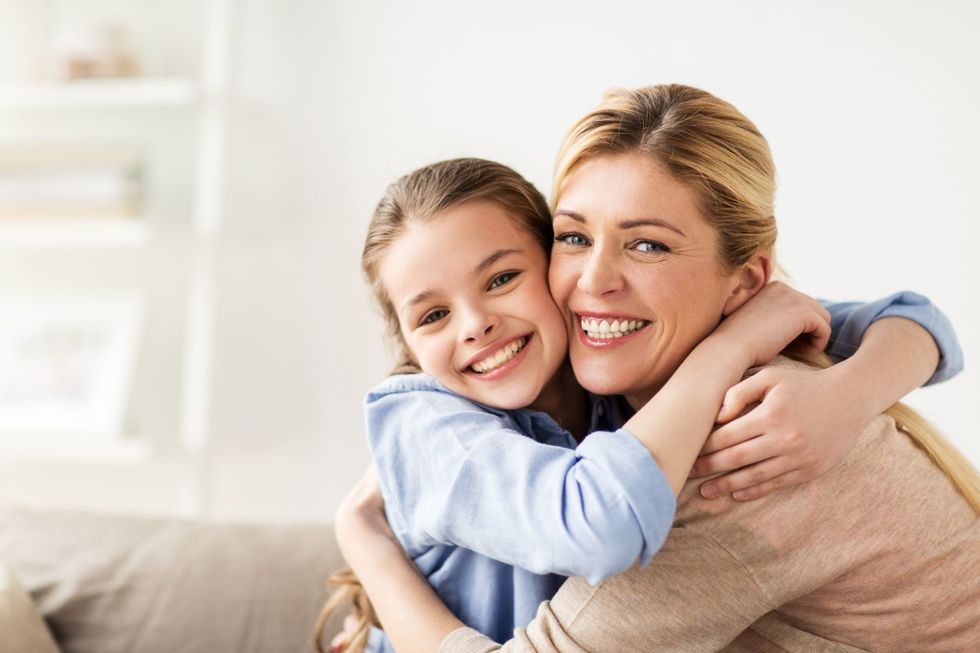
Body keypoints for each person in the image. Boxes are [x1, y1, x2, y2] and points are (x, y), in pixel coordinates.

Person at [332, 84, 979, 652]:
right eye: (576, 237)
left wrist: (845, 393)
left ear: (745, 286)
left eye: (647, 244)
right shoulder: (682, 371)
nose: (594, 280)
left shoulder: (753, 453)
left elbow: (911, 317)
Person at [318, 158, 843, 653]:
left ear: (556, 266)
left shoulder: (605, 361)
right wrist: (730, 348)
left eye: (501, 279)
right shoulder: (423, 428)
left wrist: (854, 388)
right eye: (433, 316)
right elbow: (598, 528)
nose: (475, 324)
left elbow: (862, 317)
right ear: (409, 345)